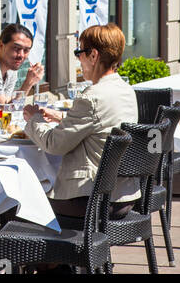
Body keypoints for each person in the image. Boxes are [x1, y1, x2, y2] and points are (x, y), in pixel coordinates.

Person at [22, 22, 140, 220]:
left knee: (19, 198)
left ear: (93, 55)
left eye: (79, 53)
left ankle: (15, 247)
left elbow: (53, 144)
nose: (78, 60)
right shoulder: (125, 89)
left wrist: (33, 119)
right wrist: (61, 117)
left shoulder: (91, 97)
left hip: (91, 199)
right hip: (123, 195)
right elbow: (103, 124)